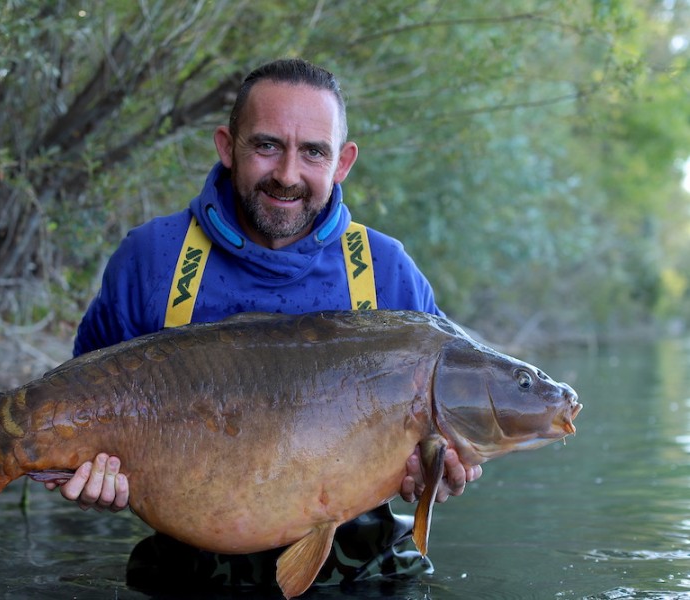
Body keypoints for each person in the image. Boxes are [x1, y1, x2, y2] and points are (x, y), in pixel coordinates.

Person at [45, 58, 482, 589]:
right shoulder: (152, 259)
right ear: (228, 147)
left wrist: (442, 473)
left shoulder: (386, 272)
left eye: (313, 152)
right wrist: (89, 475)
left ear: (342, 163)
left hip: (360, 572)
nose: (287, 174)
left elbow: (446, 432)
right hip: (193, 568)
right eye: (267, 145)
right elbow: (74, 404)